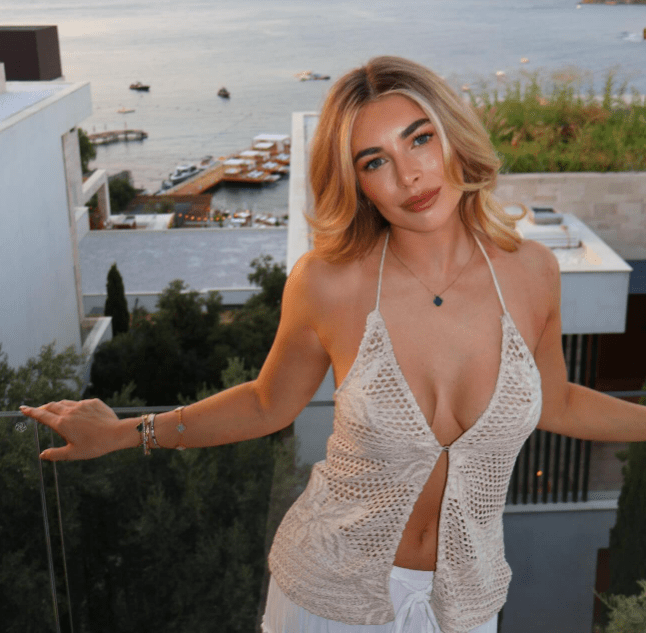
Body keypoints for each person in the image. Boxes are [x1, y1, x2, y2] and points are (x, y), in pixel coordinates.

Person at [20, 56, 646, 633]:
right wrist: (130, 432)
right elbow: (269, 403)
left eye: (420, 138)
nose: (409, 174)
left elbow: (558, 400)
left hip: (465, 600)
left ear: (453, 135)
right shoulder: (329, 283)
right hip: (326, 593)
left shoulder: (532, 271)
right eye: (374, 161)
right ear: (358, 183)